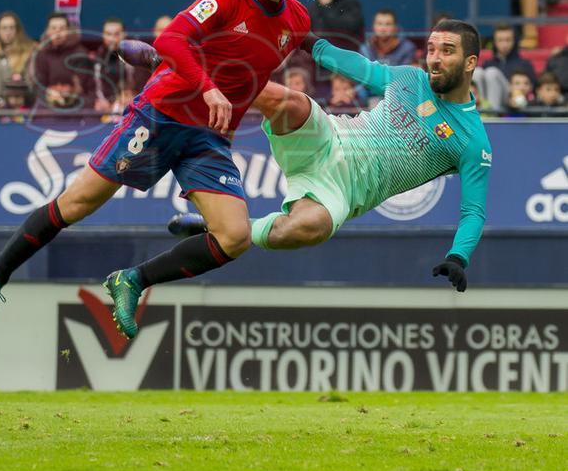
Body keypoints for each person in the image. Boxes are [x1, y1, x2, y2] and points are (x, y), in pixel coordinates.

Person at [0, 0, 311, 336]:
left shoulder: (298, 21)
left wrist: (228, 121)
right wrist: (208, 88)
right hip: (161, 113)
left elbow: (248, 78)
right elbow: (171, 40)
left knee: (235, 236)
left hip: (208, 136)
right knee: (77, 204)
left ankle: (132, 280)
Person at [151, 19, 493, 297]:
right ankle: (183, 68)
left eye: (447, 51)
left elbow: (474, 212)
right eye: (432, 49)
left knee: (308, 228)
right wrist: (308, 39)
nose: (434, 58)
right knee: (286, 100)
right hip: (328, 138)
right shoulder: (410, 78)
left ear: (470, 62)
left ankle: (232, 229)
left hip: (339, 191)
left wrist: (458, 256)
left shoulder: (472, 141)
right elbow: (358, 66)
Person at [0, 10, 35, 107]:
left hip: (21, 108)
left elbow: (32, 84)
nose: (8, 32)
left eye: (11, 28)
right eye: (4, 28)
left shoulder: (28, 53)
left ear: (17, 30)